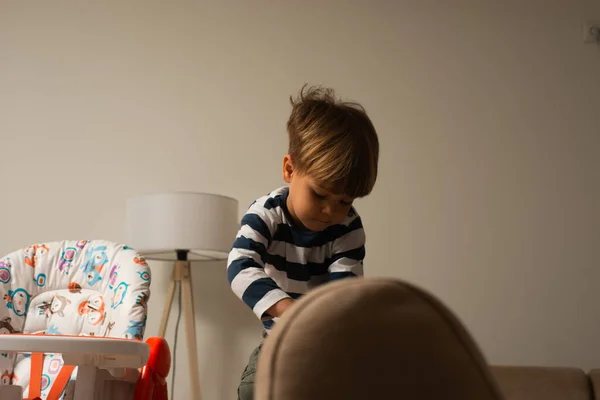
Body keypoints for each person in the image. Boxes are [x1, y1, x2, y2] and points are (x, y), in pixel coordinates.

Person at [226, 84, 380, 400]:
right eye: (320, 194)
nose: (330, 210)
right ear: (290, 169)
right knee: (253, 389)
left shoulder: (347, 226)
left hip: (327, 342)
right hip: (279, 338)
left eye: (344, 200)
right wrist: (287, 309)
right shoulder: (267, 214)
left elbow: (344, 290)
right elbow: (239, 265)